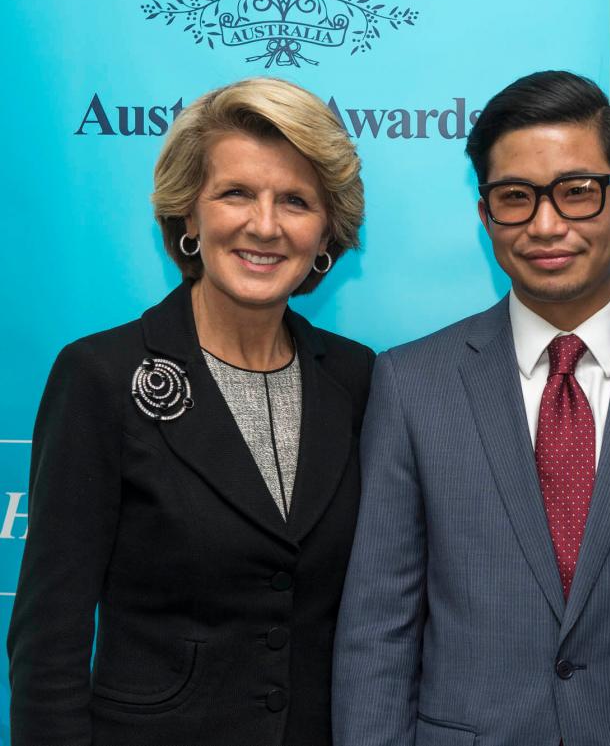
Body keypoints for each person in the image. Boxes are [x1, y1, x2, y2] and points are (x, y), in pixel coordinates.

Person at [332, 70, 610, 746]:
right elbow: (378, 631)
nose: (546, 224)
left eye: (577, 193)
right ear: (485, 214)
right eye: (516, 198)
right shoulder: (412, 384)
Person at [8, 77, 374, 746]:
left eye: (295, 200)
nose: (265, 224)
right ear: (188, 216)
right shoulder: (101, 375)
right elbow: (49, 642)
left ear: (326, 231)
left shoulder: (358, 378)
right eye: (235, 193)